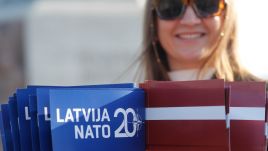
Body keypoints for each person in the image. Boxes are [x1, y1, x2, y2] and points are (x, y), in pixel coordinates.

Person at [139, 0, 261, 82]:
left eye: (206, 4)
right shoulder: (129, 113)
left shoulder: (263, 102)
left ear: (226, 17)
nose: (190, 21)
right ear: (153, 22)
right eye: (172, 5)